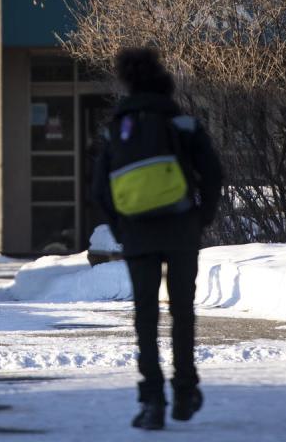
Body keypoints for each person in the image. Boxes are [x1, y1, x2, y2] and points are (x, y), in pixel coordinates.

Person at [92, 47, 223, 431]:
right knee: (182, 312)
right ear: (164, 83)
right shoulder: (182, 124)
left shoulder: (116, 129)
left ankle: (152, 401)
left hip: (137, 234)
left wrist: (122, 228)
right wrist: (202, 217)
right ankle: (185, 391)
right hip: (182, 228)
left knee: (145, 316)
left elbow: (100, 189)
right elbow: (213, 174)